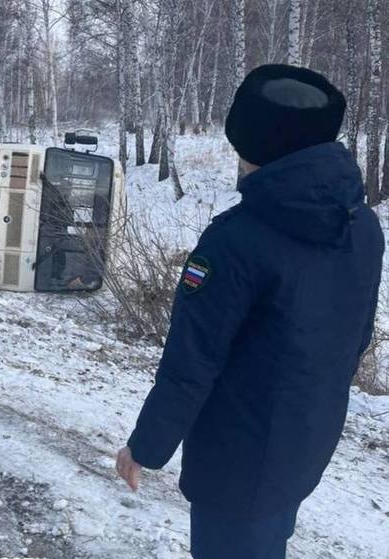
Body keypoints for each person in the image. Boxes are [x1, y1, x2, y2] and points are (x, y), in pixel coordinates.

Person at [115, 64, 384, 559]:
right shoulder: (362, 225)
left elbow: (191, 365)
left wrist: (145, 447)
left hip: (236, 462)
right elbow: (356, 338)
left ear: (253, 144)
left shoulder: (235, 241)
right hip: (306, 442)